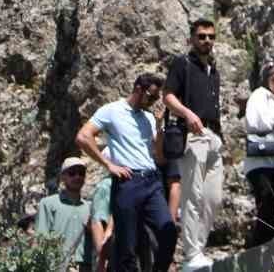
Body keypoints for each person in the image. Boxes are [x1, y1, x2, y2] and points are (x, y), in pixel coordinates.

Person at [75, 74, 176, 272]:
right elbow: (83, 136)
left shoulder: (149, 117)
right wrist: (108, 164)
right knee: (127, 247)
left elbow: (160, 157)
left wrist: (159, 129)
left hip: (152, 181)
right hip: (128, 183)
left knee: (168, 230)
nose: (153, 101)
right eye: (151, 96)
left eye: (157, 98)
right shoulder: (112, 110)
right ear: (138, 89)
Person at [162, 19, 223, 272]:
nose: (207, 40)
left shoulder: (213, 71)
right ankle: (191, 254)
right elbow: (168, 96)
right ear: (192, 39)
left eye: (211, 36)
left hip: (214, 136)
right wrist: (187, 114)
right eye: (201, 36)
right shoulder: (183, 64)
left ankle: (199, 248)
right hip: (193, 135)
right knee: (192, 195)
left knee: (213, 198)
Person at [241, 62, 274, 250]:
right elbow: (255, 122)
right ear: (266, 79)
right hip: (260, 162)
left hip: (272, 162)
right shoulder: (259, 95)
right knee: (266, 205)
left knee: (271, 208)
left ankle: (262, 248)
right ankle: (256, 249)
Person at [37, 157, 98, 271]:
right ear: (63, 177)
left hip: (85, 266)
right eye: (72, 173)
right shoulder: (48, 204)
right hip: (57, 265)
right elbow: (41, 238)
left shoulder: (91, 207)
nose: (77, 177)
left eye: (81, 173)